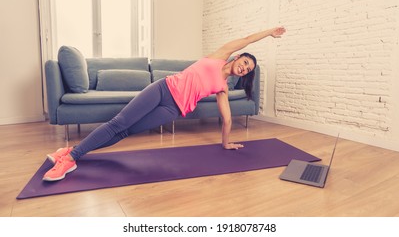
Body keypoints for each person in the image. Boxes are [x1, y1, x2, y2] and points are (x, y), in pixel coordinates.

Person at [43, 26, 286, 181]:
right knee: (119, 122)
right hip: (162, 89)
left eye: (247, 70)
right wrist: (269, 33)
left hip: (171, 110)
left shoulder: (222, 88)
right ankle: (72, 157)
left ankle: (70, 153)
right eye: (244, 62)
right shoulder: (218, 56)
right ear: (237, 57)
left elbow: (228, 118)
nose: (244, 68)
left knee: (126, 131)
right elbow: (246, 38)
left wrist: (226, 143)